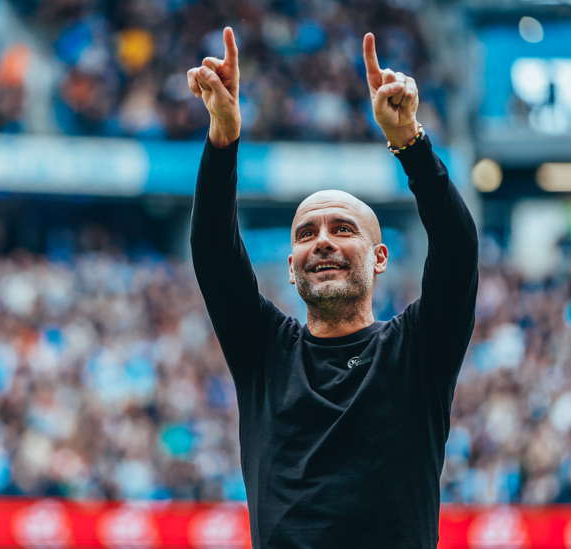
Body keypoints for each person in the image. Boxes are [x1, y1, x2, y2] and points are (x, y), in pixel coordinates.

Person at [188, 27, 479, 549]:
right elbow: (212, 252)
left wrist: (409, 143)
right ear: (293, 265)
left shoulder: (418, 350)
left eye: (343, 229)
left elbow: (458, 251)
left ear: (380, 258)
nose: (322, 241)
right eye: (306, 233)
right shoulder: (264, 354)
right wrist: (223, 141)